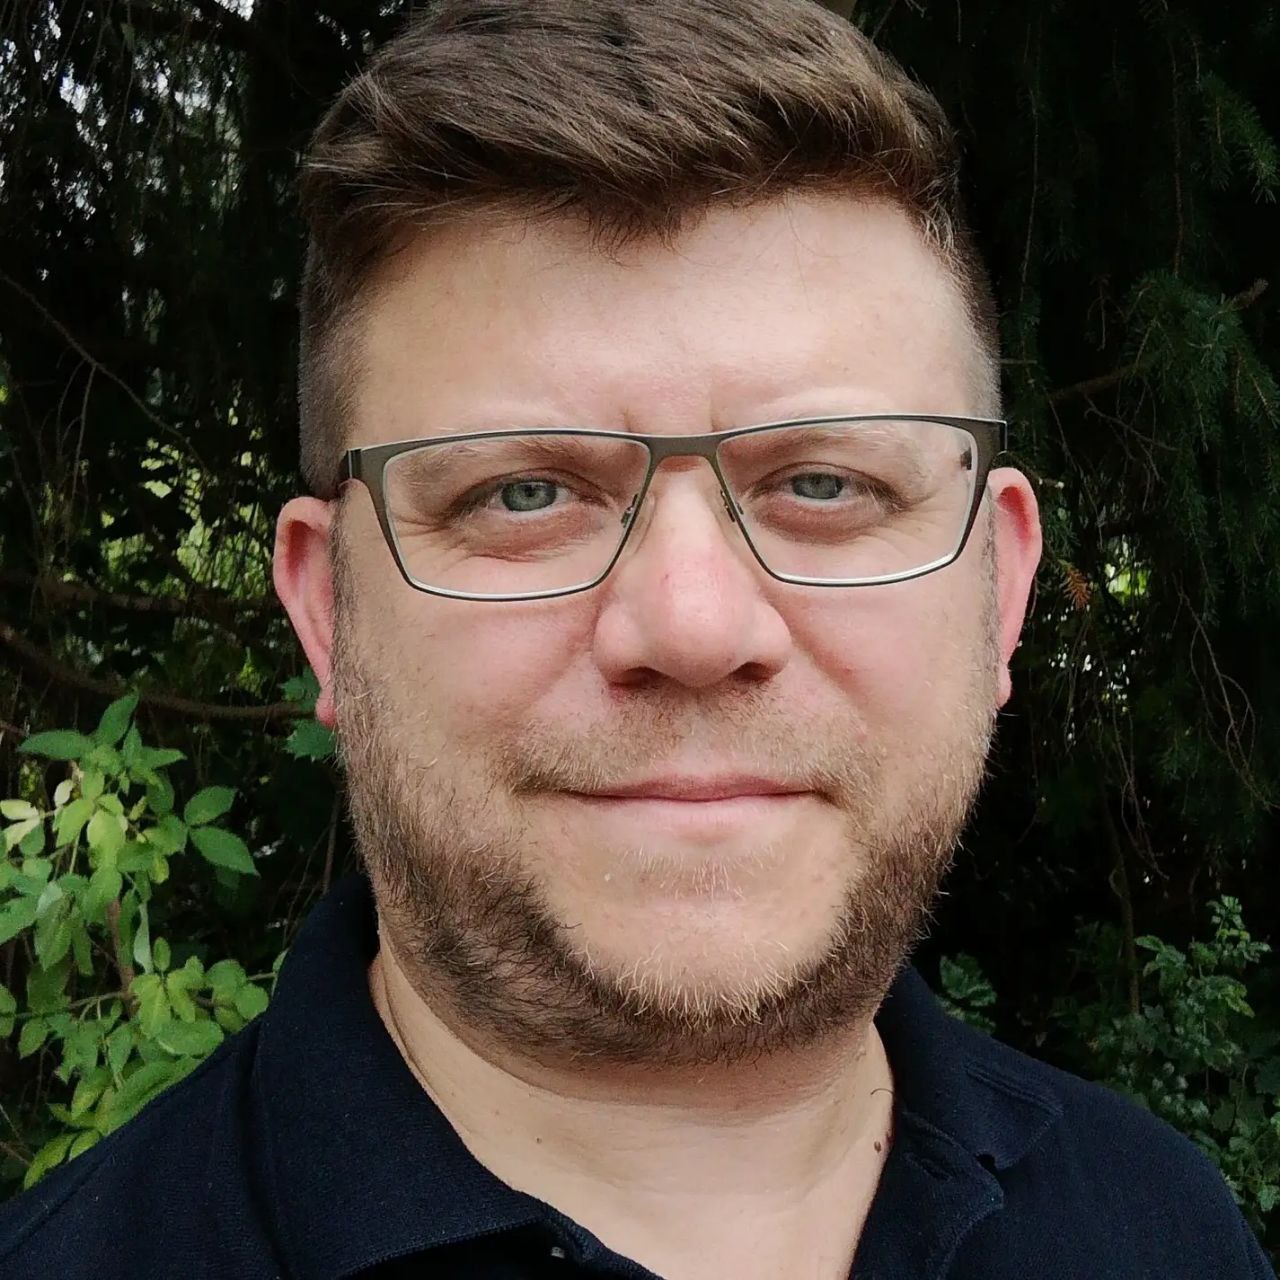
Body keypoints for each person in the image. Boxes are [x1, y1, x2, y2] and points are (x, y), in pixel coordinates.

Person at [0, 1, 1272, 1277]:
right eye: (522, 494)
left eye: (823, 484)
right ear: (328, 608)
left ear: (997, 587)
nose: (693, 625)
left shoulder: (1164, 1230)